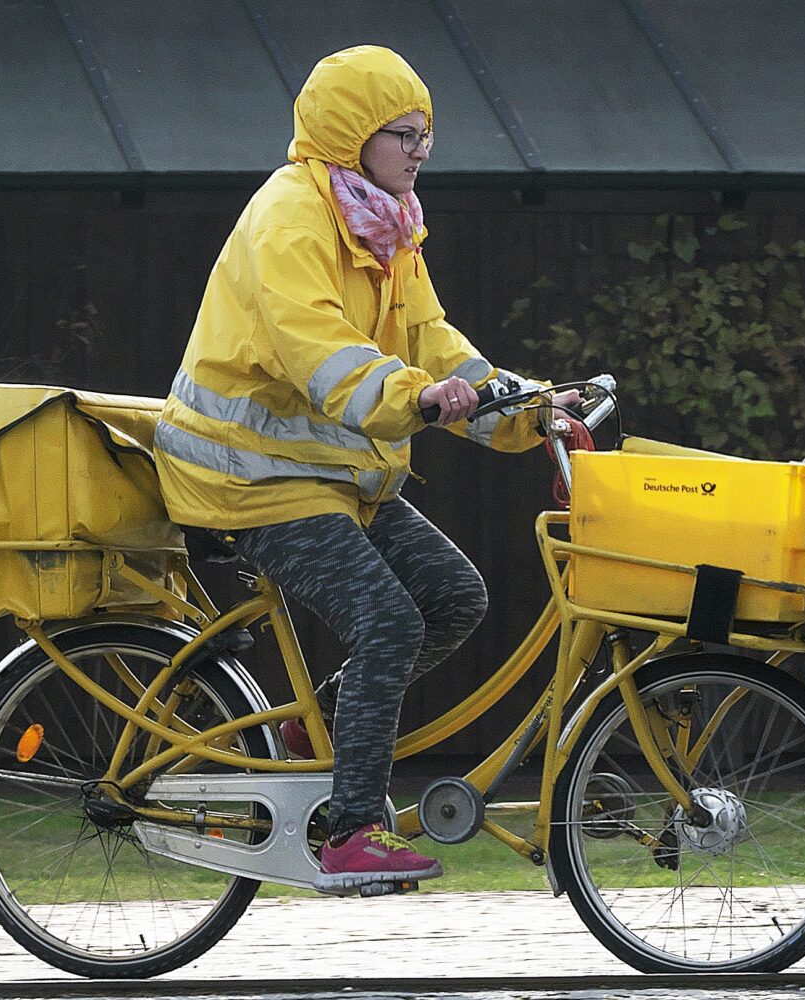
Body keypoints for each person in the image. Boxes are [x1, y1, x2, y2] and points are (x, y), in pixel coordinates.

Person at [154, 45, 576, 895]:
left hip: (330, 475)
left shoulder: (387, 220)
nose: (422, 149)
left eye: (427, 134)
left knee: (455, 597)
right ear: (352, 133)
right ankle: (351, 832)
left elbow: (430, 339)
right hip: (252, 478)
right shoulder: (290, 218)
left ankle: (331, 735)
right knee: (390, 620)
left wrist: (528, 410)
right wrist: (415, 401)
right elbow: (316, 345)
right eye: (404, 133)